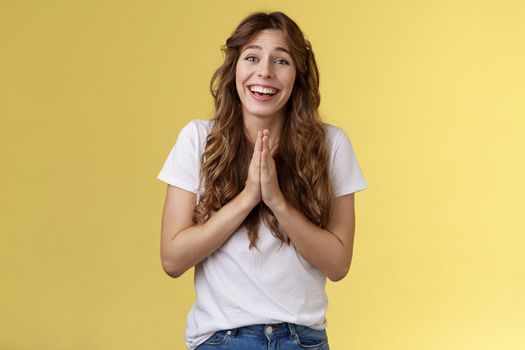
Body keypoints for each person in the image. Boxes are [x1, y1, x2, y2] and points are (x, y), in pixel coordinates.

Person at [157, 10, 368, 350]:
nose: (265, 72)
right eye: (252, 57)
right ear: (234, 69)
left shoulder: (332, 145)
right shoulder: (197, 139)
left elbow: (338, 263)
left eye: (281, 61)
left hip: (303, 340)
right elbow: (172, 259)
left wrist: (277, 201)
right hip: (221, 340)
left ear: (298, 74)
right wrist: (248, 197)